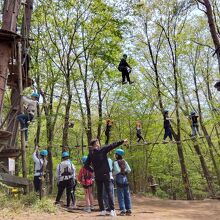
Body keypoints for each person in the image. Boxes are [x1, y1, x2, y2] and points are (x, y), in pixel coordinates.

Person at [84, 138, 128, 217]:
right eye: (98, 142)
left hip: (98, 175)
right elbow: (112, 145)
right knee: (109, 191)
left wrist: (93, 170)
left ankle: (102, 210)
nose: (99, 144)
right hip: (106, 174)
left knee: (100, 193)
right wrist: (122, 141)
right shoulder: (103, 150)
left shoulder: (90, 154)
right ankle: (112, 210)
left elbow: (86, 165)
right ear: (96, 143)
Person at [113, 149, 132, 216]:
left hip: (119, 178)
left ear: (117, 155)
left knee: (120, 195)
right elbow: (129, 170)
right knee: (127, 194)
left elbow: (117, 171)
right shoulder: (124, 161)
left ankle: (123, 210)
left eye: (115, 154)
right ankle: (129, 209)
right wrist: (124, 172)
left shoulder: (115, 162)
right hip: (125, 178)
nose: (115, 155)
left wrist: (113, 174)